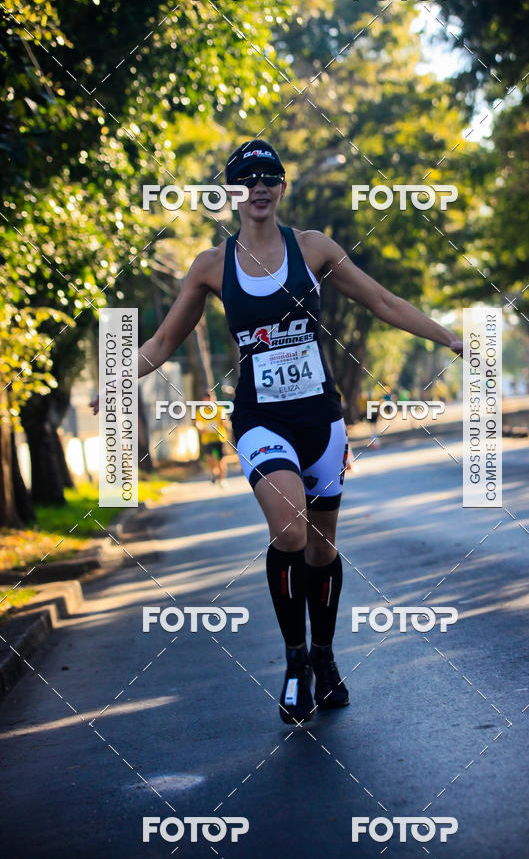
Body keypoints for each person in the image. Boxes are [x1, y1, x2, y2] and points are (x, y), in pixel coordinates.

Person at [92, 138, 462, 725]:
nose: (259, 186)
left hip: (321, 418)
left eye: (269, 176)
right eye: (246, 178)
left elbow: (383, 302)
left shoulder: (313, 249)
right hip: (260, 419)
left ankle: (325, 656)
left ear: (281, 187)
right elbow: (163, 343)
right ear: (232, 193)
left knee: (321, 547)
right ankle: (294, 664)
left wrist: (450, 338)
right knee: (289, 530)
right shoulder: (211, 267)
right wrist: (114, 378)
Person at [195, 390, 229, 486]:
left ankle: (222, 479)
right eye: (206, 400)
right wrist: (200, 427)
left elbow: (225, 422)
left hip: (219, 438)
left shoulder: (220, 409)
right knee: (210, 459)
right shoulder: (200, 412)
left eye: (210, 399)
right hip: (207, 438)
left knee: (220, 459)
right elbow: (198, 423)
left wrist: (223, 421)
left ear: (213, 399)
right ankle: (213, 474)